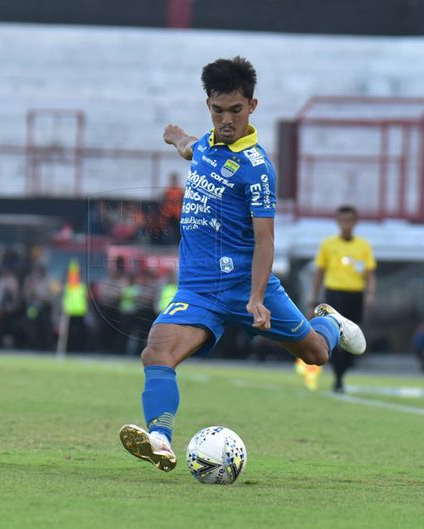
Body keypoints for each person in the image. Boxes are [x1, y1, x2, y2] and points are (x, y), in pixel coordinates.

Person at [119, 57, 366, 472]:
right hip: (198, 290)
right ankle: (160, 439)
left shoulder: (257, 168)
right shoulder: (205, 148)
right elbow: (190, 148)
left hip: (249, 288)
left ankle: (329, 322)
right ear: (208, 106)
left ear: (253, 105)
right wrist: (176, 136)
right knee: (156, 352)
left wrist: (255, 298)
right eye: (218, 110)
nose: (227, 119)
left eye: (236, 110)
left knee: (316, 355)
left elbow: (266, 239)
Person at [310, 205, 376, 393]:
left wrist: (370, 293)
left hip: (355, 295)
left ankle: (343, 372)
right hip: (334, 294)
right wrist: (313, 297)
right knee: (335, 337)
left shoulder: (363, 246)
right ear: (337, 222)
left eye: (349, 220)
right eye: (342, 220)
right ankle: (338, 377)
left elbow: (370, 272)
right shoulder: (328, 244)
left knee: (354, 337)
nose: (346, 224)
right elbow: (319, 272)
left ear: (355, 222)